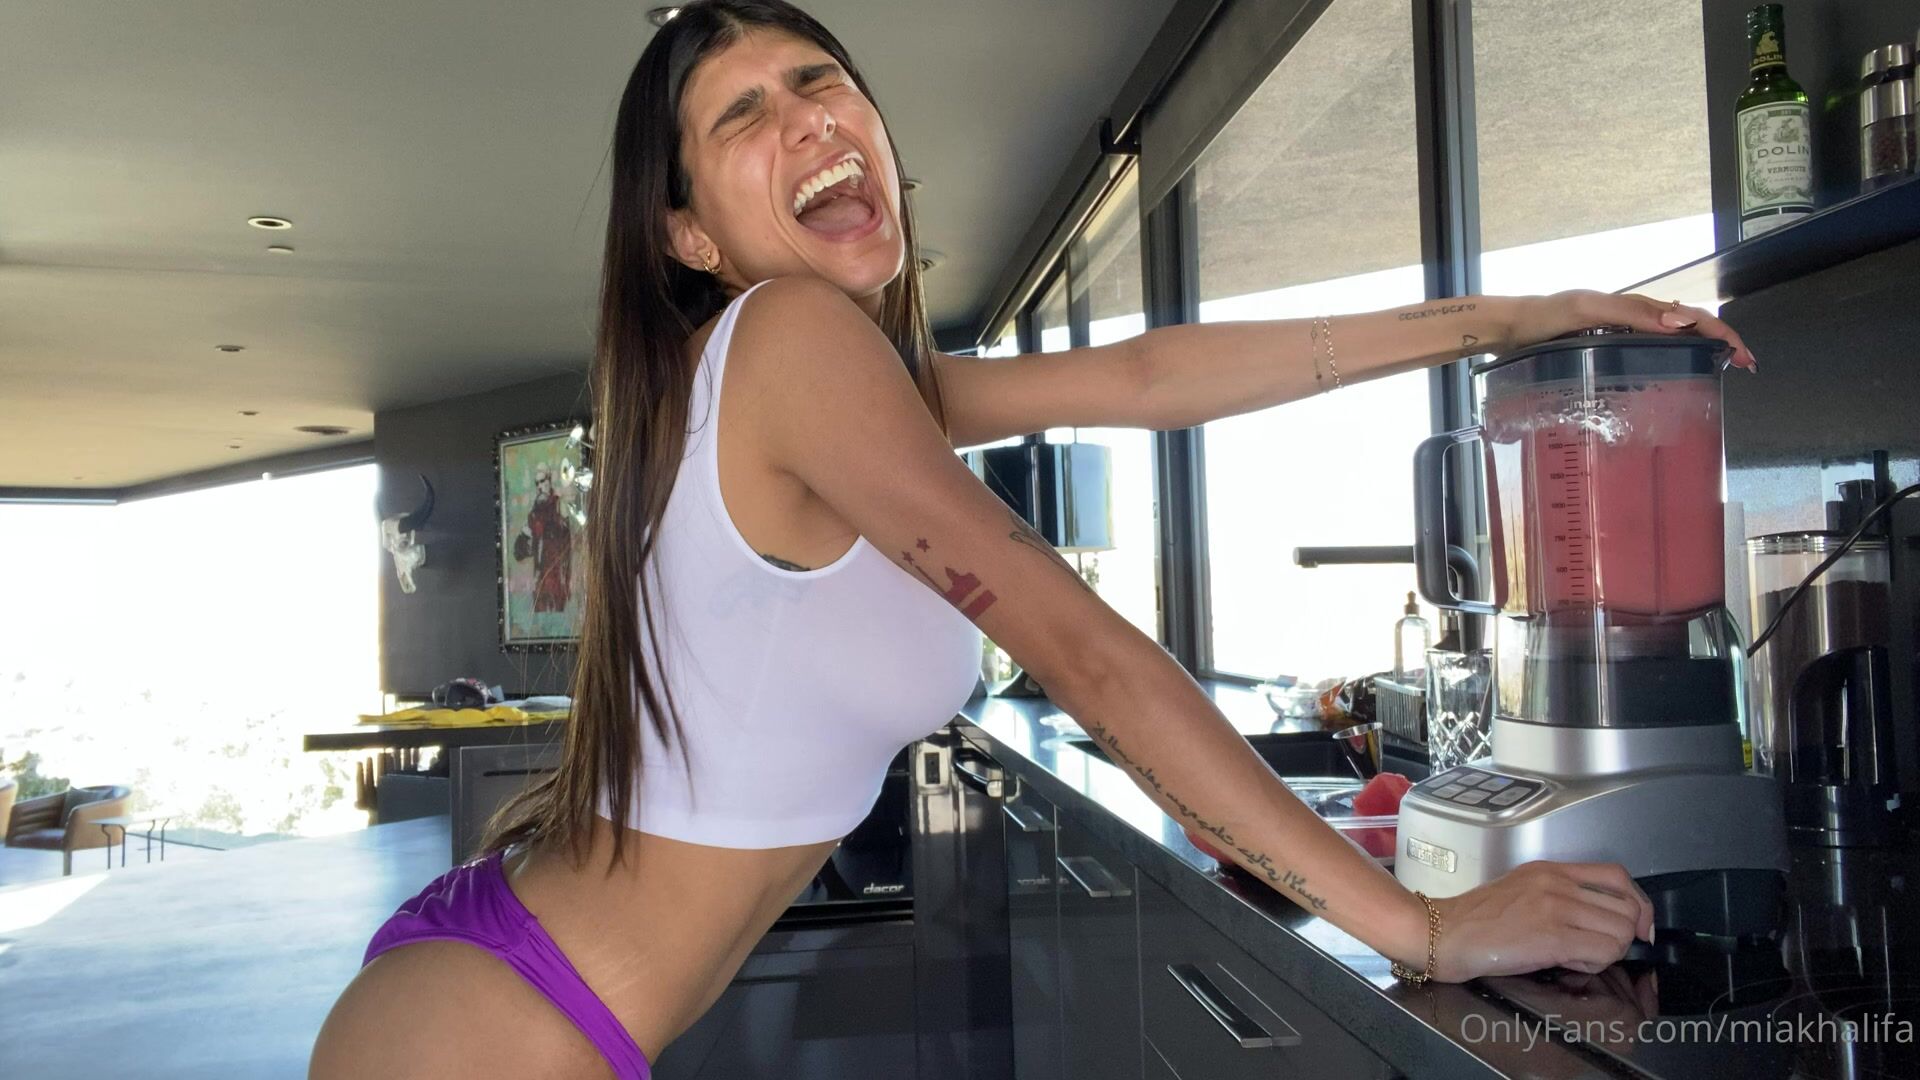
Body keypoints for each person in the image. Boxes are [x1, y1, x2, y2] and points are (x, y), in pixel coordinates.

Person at [310, 2, 1755, 1077]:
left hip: (516, 985)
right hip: (496, 1028)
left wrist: (1519, 317)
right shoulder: (788, 338)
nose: (807, 117)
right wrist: (1424, 931)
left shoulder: (817, 385)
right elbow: (1079, 648)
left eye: (819, 79)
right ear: (689, 236)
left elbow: (1151, 376)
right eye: (741, 114)